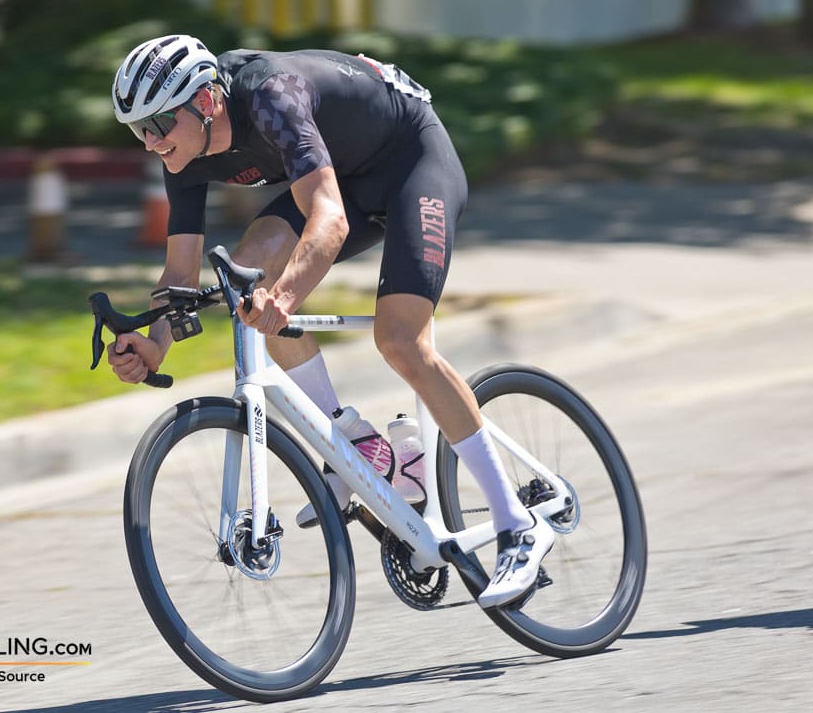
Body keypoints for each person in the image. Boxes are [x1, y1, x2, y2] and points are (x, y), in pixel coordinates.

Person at [107, 34, 553, 608]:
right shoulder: (183, 153)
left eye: (159, 123)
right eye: (138, 130)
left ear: (206, 102)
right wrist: (154, 344)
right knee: (243, 271)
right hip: (341, 174)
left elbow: (331, 221)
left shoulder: (270, 97)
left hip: (411, 161)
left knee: (398, 338)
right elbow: (180, 276)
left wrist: (285, 299)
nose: (151, 142)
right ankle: (352, 438)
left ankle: (518, 526)